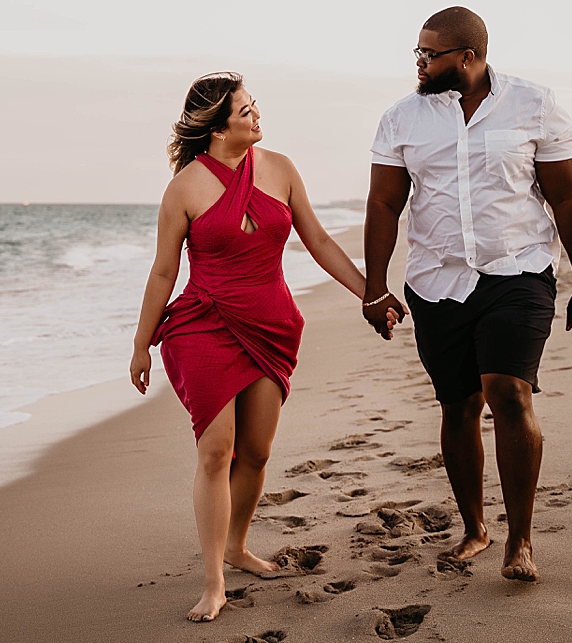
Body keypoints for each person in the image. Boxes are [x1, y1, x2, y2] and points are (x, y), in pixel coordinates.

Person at [130, 72, 398, 623]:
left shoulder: (279, 168)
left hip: (271, 324)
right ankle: (213, 583)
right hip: (203, 325)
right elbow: (162, 272)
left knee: (256, 451)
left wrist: (371, 293)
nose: (257, 116)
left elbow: (318, 240)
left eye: (255, 107)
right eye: (246, 110)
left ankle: (236, 545)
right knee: (215, 451)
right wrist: (140, 346)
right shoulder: (184, 188)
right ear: (217, 124)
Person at [360, 6, 572, 582]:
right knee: (459, 404)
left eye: (429, 54)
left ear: (466, 56)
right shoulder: (401, 119)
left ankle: (520, 540)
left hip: (516, 271)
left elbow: (568, 199)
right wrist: (375, 287)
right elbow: (384, 204)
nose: (418, 63)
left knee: (509, 393)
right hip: (436, 280)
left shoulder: (533, 105)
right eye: (416, 53)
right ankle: (475, 527)